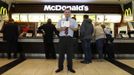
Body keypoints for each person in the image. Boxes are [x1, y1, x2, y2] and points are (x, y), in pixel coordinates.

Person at [55, 8, 78, 73]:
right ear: (64, 13)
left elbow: (76, 29)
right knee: (61, 54)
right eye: (66, 12)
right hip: (62, 38)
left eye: (68, 12)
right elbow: (57, 29)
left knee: (70, 54)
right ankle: (60, 68)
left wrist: (70, 26)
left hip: (69, 38)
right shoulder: (60, 20)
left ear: (70, 13)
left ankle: (70, 68)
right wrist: (63, 28)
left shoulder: (73, 21)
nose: (67, 13)